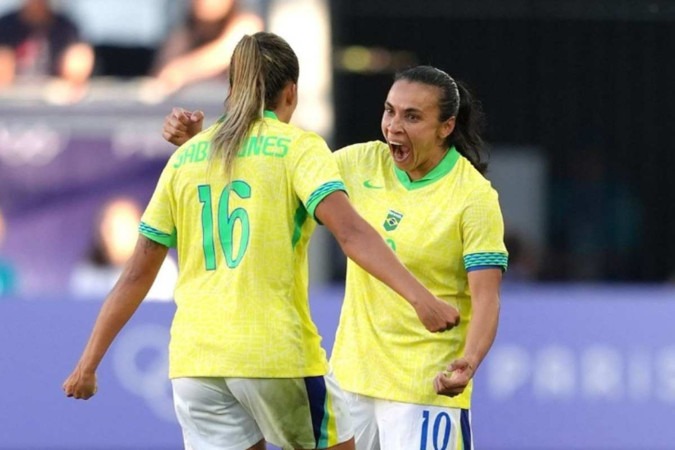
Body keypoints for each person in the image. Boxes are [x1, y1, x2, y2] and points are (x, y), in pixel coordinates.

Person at [63, 33, 459, 450]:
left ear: (232, 90)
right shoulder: (299, 147)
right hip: (273, 354)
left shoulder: (187, 157)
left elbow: (136, 274)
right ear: (291, 92)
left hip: (195, 364)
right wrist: (421, 299)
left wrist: (88, 364)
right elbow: (350, 232)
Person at [163, 65, 508, 449]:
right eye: (389, 111)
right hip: (351, 381)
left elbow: (486, 297)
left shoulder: (474, 198)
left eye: (412, 116)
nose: (394, 125)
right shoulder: (358, 163)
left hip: (424, 386)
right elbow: (269, 174)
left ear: (446, 126)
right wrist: (199, 144)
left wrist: (469, 361)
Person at [69, 196, 178, 302]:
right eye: (105, 232)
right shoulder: (87, 275)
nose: (108, 239)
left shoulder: (162, 269)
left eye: (115, 231)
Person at [148, 0, 263, 96]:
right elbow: (163, 76)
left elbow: (223, 54)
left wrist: (181, 71)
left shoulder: (248, 25)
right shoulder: (185, 33)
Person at [0, 0, 94, 99]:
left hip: (56, 103)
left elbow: (78, 66)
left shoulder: (66, 28)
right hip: (14, 103)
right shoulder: (5, 26)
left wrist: (71, 79)